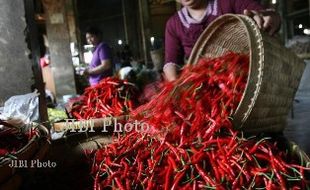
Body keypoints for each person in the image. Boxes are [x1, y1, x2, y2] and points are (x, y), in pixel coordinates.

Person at [163, 0, 281, 81]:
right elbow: (171, 61)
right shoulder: (173, 24)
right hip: (201, 85)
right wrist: (174, 80)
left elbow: (267, 14)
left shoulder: (227, 3)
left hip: (242, 76)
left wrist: (266, 17)